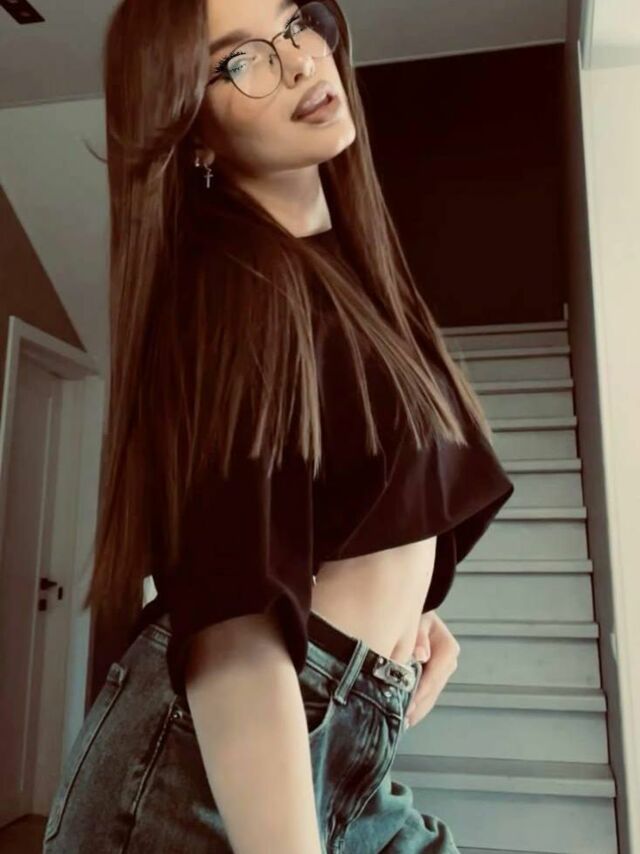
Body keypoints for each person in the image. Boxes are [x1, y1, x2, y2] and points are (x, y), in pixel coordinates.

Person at [43, 0, 514, 852]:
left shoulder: (343, 272)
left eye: (296, 21)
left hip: (336, 734)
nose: (299, 60)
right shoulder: (231, 292)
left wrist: (398, 615)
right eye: (240, 60)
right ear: (193, 130)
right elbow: (233, 628)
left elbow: (347, 514)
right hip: (209, 771)